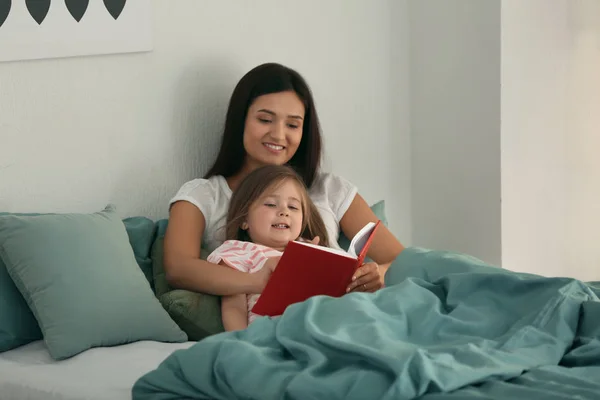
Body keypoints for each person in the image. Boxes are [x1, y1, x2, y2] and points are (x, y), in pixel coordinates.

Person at [164, 62, 405, 298]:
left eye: (292, 124)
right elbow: (179, 269)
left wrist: (379, 273)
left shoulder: (330, 189)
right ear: (241, 120)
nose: (279, 135)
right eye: (265, 120)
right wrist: (256, 282)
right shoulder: (202, 196)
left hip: (347, 312)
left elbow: (404, 260)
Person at [207, 165, 328, 331]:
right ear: (244, 220)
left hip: (320, 325)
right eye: (271, 204)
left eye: (293, 207)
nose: (284, 212)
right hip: (275, 331)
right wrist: (242, 342)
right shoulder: (238, 251)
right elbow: (233, 306)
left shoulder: (309, 247)